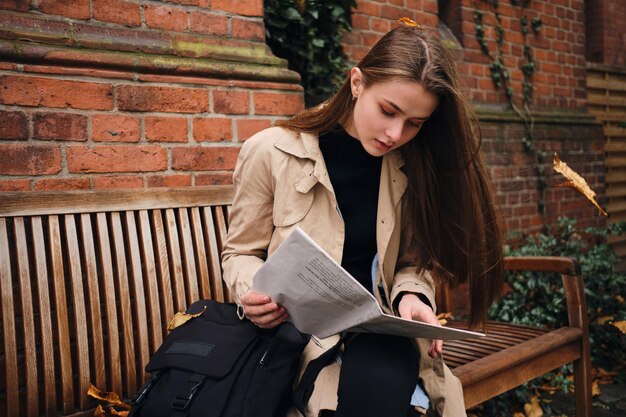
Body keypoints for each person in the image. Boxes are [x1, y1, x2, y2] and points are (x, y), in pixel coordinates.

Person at [222, 21, 504, 417]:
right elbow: (239, 253)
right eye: (388, 111)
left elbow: (411, 263)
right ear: (357, 83)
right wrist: (253, 293)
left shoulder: (407, 165)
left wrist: (413, 296)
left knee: (382, 384)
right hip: (299, 334)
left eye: (414, 124)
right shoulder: (271, 151)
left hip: (380, 328)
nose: (394, 133)